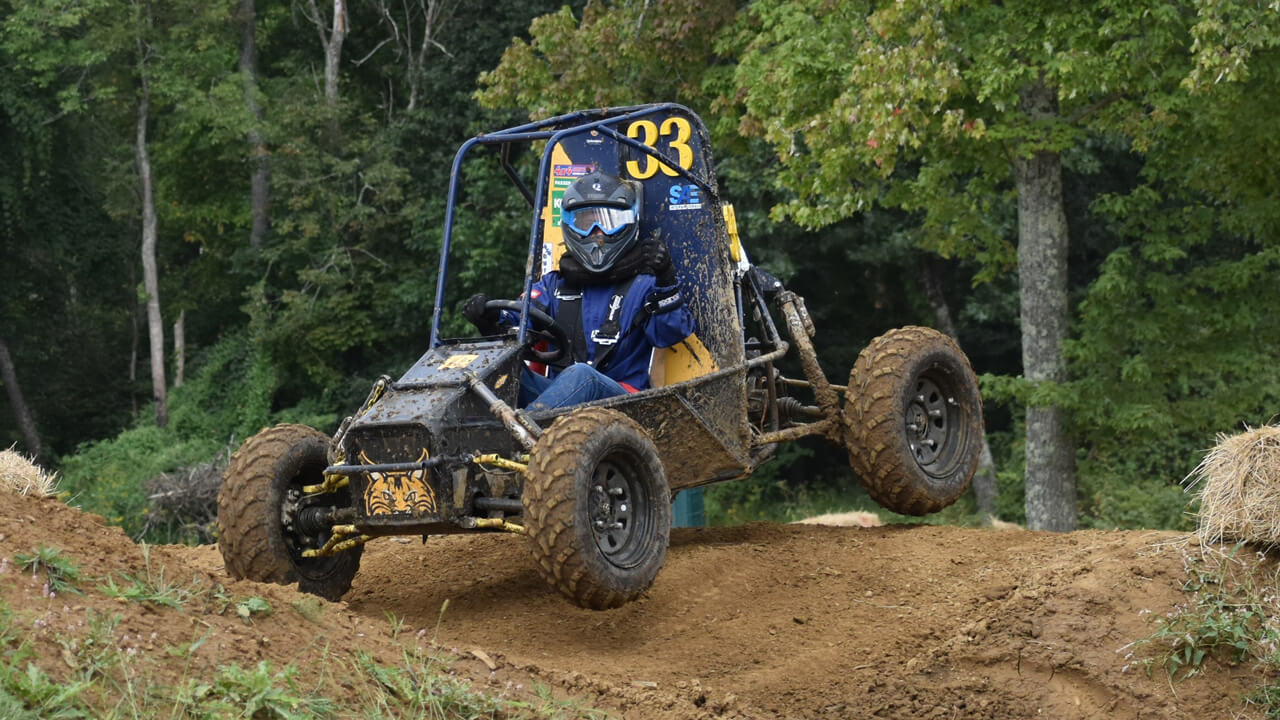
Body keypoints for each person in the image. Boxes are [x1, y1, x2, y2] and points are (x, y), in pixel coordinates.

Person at [463, 170, 694, 410]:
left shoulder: (645, 283)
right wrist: (489, 319)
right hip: (560, 401)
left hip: (624, 403)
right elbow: (518, 322)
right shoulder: (554, 285)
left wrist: (666, 278)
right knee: (493, 372)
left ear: (628, 221)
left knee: (582, 375)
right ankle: (458, 443)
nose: (597, 232)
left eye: (608, 222)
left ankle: (524, 435)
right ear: (570, 224)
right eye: (586, 222)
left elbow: (671, 333)